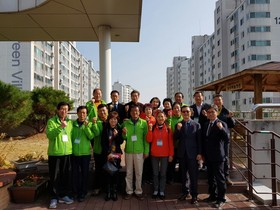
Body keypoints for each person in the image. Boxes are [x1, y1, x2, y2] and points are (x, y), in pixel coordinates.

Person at [46, 102, 73, 209]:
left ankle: (63, 195)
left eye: (66, 109)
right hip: (55, 153)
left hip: (67, 154)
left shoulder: (70, 122)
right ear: (58, 110)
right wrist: (60, 127)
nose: (64, 111)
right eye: (62, 109)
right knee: (54, 176)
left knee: (65, 175)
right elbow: (50, 135)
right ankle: (53, 198)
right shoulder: (51, 121)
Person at [202, 104, 230, 208]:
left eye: (212, 112)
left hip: (218, 156)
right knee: (210, 178)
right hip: (208, 156)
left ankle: (221, 198)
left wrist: (222, 129)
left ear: (217, 113)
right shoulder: (206, 124)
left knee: (220, 178)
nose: (210, 114)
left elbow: (227, 139)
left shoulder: (221, 123)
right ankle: (212, 195)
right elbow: (205, 140)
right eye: (209, 112)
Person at [174, 105, 202, 204]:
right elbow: (175, 138)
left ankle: (194, 195)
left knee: (193, 175)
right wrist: (177, 129)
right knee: (183, 175)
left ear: (191, 113)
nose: (186, 113)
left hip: (193, 154)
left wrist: (199, 153)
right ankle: (185, 192)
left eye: (187, 111)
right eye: (184, 112)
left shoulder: (196, 125)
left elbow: (199, 141)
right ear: (181, 113)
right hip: (182, 154)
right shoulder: (179, 124)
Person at [122, 105, 149, 200]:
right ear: (130, 113)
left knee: (139, 172)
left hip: (139, 151)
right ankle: (128, 191)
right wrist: (124, 134)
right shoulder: (126, 123)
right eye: (133, 111)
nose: (135, 113)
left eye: (136, 111)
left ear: (139, 112)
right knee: (128, 172)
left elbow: (146, 139)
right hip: (129, 151)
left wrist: (146, 151)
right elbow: (124, 138)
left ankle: (138, 191)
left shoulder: (144, 123)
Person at [146, 111, 174, 200]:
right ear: (156, 118)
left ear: (165, 117)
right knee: (155, 173)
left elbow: (171, 143)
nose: (160, 118)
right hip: (154, 154)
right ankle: (155, 190)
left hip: (165, 154)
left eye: (162, 116)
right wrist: (150, 130)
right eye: (158, 117)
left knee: (162, 174)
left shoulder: (168, 129)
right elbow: (149, 140)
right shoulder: (153, 127)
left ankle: (161, 191)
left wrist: (171, 155)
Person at [71, 106, 94, 202]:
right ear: (77, 113)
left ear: (86, 114)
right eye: (80, 112)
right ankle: (75, 191)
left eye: (84, 113)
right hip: (74, 153)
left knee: (85, 174)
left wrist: (86, 127)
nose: (82, 114)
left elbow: (91, 136)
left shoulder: (89, 124)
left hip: (85, 154)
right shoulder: (72, 124)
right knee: (75, 174)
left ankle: (83, 193)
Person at [213, 94, 236, 185]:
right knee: (212, 158)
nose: (217, 102)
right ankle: (213, 177)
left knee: (224, 158)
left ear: (222, 101)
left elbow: (232, 125)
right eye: (215, 100)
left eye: (219, 100)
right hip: (213, 139)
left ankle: (226, 177)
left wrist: (230, 118)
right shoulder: (211, 110)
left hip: (223, 139)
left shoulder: (226, 111)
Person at [101, 111, 123, 201]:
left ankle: (114, 192)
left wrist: (116, 135)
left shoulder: (119, 129)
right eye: (111, 119)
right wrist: (108, 153)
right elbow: (103, 142)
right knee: (107, 173)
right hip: (107, 155)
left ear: (117, 120)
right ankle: (108, 192)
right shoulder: (105, 129)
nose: (113, 121)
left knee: (115, 173)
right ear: (109, 120)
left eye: (115, 119)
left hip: (116, 155)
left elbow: (120, 142)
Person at [190, 91, 210, 170]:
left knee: (205, 147)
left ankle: (205, 164)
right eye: (196, 96)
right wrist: (191, 115)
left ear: (203, 97)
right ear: (194, 98)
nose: (198, 98)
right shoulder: (191, 107)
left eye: (199, 96)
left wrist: (206, 115)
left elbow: (212, 118)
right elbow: (189, 119)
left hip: (205, 130)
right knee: (195, 147)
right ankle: (197, 164)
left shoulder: (208, 106)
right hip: (194, 131)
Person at [91, 104, 108, 195]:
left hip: (109, 151)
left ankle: (107, 188)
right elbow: (96, 133)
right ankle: (97, 187)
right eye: (100, 111)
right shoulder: (95, 122)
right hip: (98, 150)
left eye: (104, 110)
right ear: (97, 112)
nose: (102, 112)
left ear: (107, 111)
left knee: (109, 170)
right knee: (98, 170)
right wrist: (94, 124)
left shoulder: (111, 121)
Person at [166, 102, 183, 184]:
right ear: (172, 110)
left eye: (178, 108)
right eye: (175, 108)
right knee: (171, 163)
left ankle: (180, 179)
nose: (176, 109)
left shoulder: (183, 118)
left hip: (181, 145)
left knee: (181, 163)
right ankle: (170, 179)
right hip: (172, 145)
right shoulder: (169, 119)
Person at [140, 103, 156, 185]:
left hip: (152, 143)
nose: (148, 111)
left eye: (149, 109)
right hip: (143, 142)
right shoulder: (141, 119)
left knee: (150, 162)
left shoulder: (154, 120)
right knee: (143, 162)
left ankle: (150, 178)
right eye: (146, 109)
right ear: (144, 111)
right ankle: (143, 178)